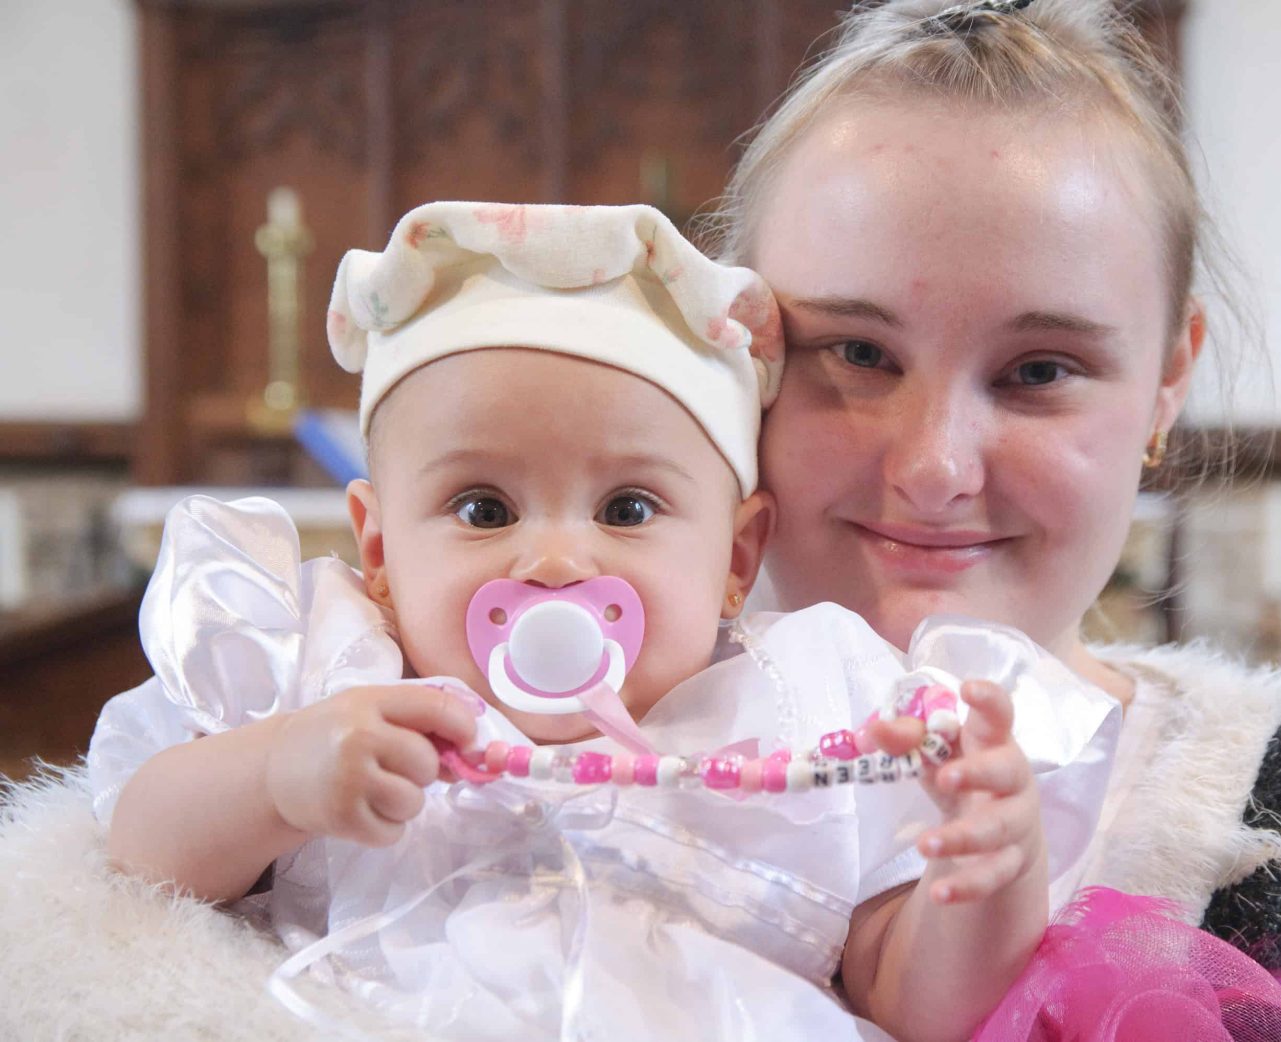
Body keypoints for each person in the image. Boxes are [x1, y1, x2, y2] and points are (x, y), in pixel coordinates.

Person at [699, 1, 1281, 1039]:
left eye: (1037, 371)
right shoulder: (538, 776)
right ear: (734, 354)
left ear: (1165, 381)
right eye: (854, 352)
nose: (932, 467)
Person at [84, 200, 1123, 1041]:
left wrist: (984, 875)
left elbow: (914, 1007)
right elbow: (139, 852)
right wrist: (275, 773)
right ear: (383, 551)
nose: (554, 560)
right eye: (482, 509)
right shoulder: (343, 683)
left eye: (627, 510)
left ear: (733, 559)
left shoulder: (806, 711)